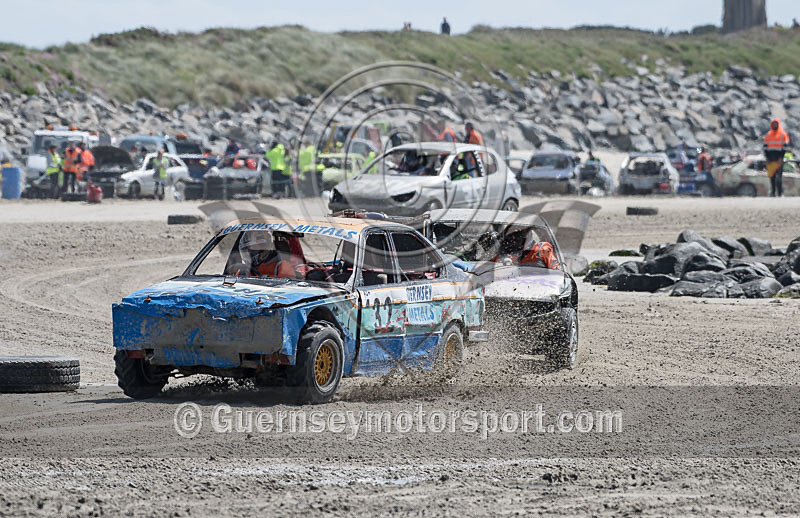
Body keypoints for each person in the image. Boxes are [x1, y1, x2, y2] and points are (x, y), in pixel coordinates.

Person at [763, 117, 791, 197]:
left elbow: (784, 147)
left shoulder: (783, 134)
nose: (775, 125)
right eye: (773, 124)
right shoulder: (768, 135)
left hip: (779, 158)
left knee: (779, 177)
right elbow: (765, 148)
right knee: (772, 176)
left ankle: (780, 193)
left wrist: (781, 158)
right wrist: (767, 158)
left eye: (776, 124)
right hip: (771, 159)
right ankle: (773, 193)